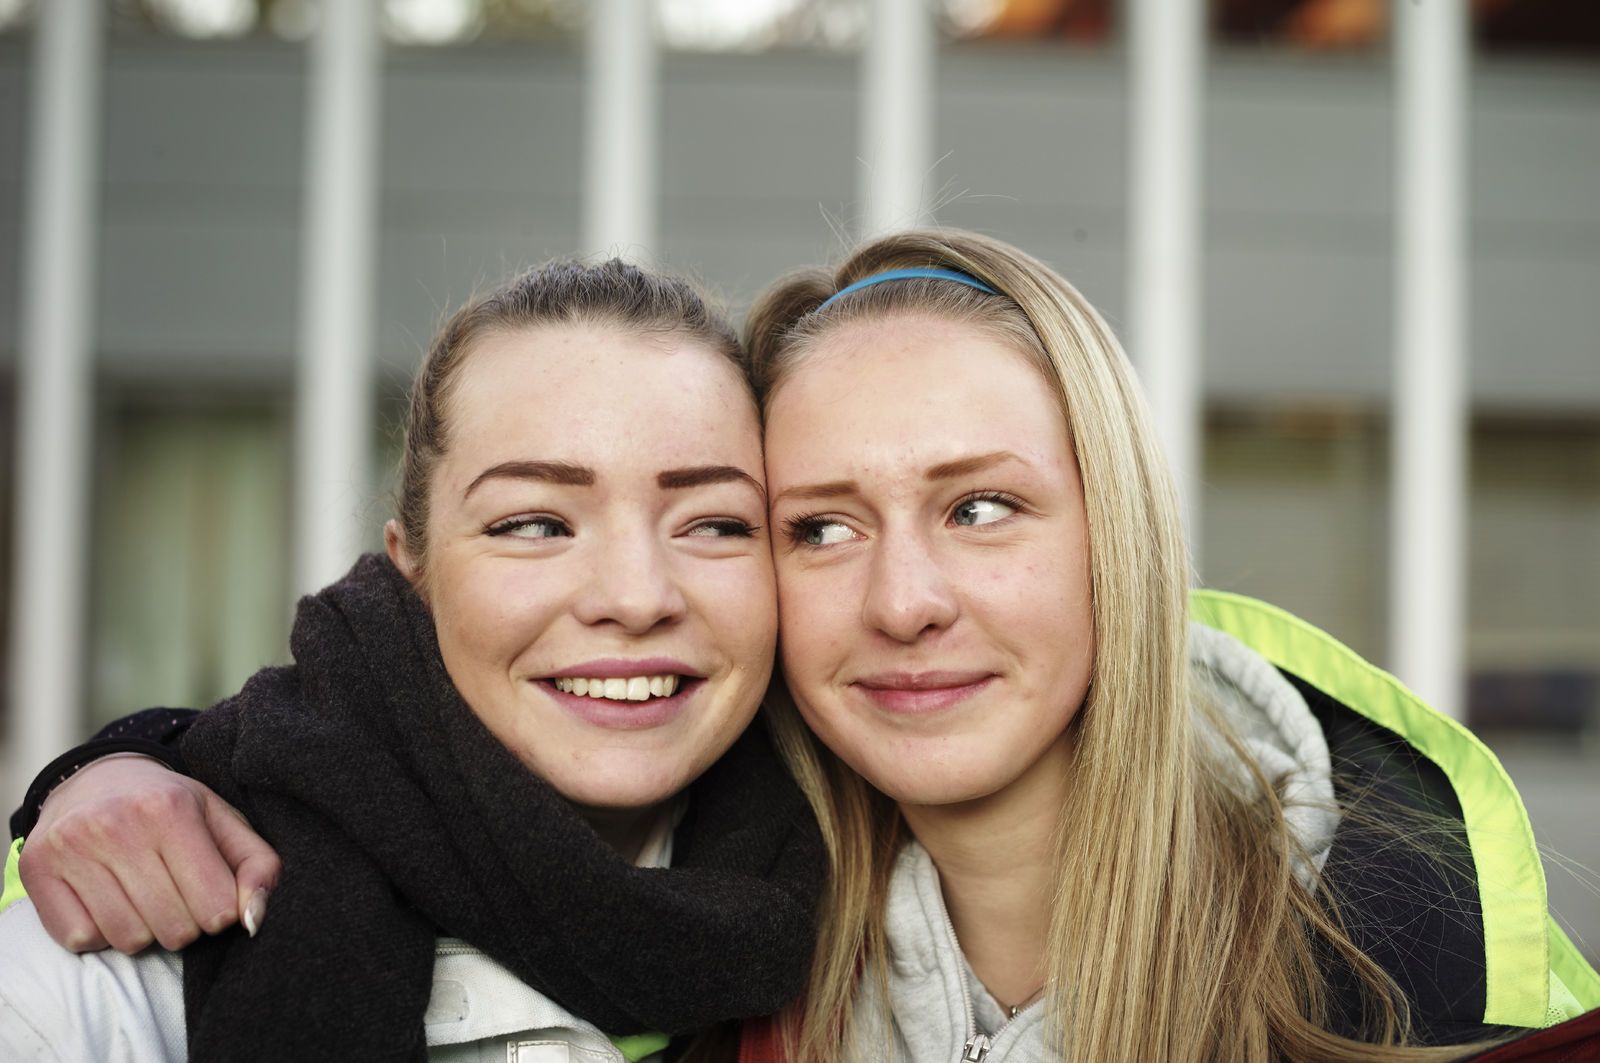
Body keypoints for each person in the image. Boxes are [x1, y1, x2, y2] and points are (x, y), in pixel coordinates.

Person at [10, 232, 1598, 1062]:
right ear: (403, 572)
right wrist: (113, 775)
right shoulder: (729, 929)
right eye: (817, 525)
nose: (900, 597)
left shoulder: (1401, 945)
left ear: (1121, 534)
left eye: (981, 506)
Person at [0, 258, 825, 1062]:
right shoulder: (109, 981)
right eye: (534, 524)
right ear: (412, 573)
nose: (638, 596)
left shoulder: (883, 904)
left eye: (714, 523)